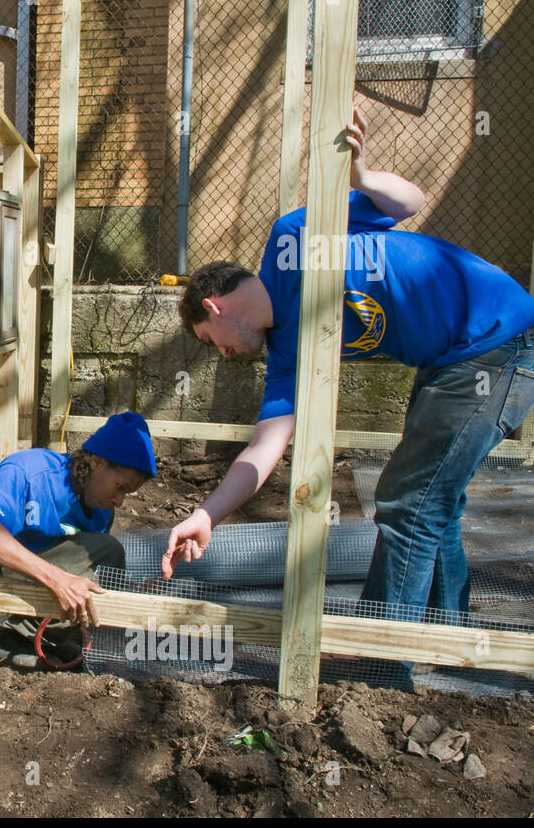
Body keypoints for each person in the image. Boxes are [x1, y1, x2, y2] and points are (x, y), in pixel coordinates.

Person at [163, 108, 534, 636]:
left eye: (209, 342)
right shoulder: (289, 353)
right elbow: (262, 451)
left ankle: (382, 655)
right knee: (434, 502)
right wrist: (206, 515)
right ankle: (452, 637)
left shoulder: (291, 237)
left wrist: (361, 178)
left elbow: (410, 202)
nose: (221, 355)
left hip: (498, 340)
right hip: (451, 362)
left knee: (407, 501)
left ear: (214, 306)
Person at [0, 410, 158, 666]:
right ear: (97, 462)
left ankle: (23, 639)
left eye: (127, 493)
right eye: (120, 487)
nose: (120, 501)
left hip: (14, 578)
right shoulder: (31, 473)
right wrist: (57, 579)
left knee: (107, 557)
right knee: (105, 552)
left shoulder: (101, 511)